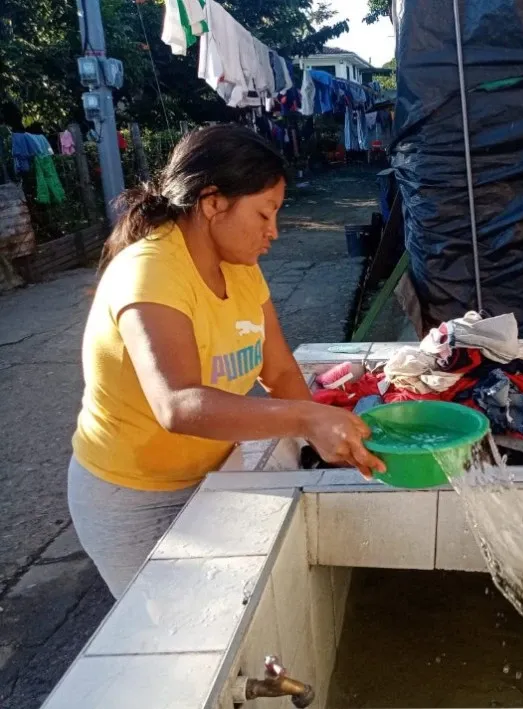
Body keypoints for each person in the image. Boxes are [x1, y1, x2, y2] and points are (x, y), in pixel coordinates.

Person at [68, 124, 385, 598]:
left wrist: (322, 442)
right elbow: (176, 404)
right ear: (213, 202)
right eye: (264, 213)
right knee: (167, 630)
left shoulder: (241, 269)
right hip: (131, 493)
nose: (273, 231)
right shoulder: (150, 272)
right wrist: (308, 415)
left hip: (211, 471)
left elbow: (277, 371)